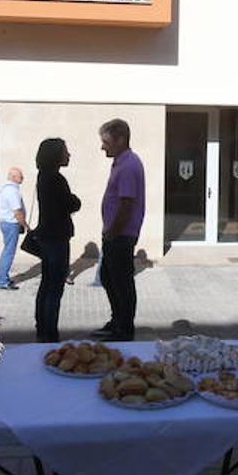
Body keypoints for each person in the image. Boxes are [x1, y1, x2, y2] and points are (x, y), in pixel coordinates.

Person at [93, 118, 144, 342]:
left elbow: (126, 203)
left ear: (120, 139)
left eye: (106, 141)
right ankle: (117, 321)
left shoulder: (128, 165)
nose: (102, 146)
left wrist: (113, 231)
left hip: (121, 235)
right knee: (108, 277)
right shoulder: (121, 162)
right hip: (115, 233)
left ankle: (124, 329)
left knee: (121, 282)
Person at [33, 138, 80, 343]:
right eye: (65, 151)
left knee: (47, 283)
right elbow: (70, 204)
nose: (68, 155)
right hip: (56, 239)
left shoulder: (43, 176)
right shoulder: (56, 179)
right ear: (55, 155)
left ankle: (42, 326)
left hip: (47, 237)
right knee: (54, 286)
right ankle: (49, 331)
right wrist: (76, 200)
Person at [0, 167, 27, 290]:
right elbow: (17, 211)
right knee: (9, 252)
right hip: (11, 224)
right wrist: (24, 225)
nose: (23, 178)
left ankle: (3, 278)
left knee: (7, 251)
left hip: (5, 223)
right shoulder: (12, 191)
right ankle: (2, 280)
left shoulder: (5, 189)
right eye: (21, 176)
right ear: (14, 177)